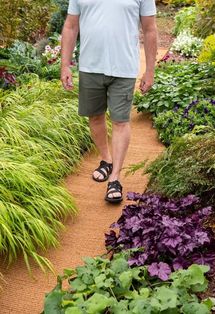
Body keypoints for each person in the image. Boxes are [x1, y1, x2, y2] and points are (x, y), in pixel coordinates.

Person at [61, 0, 157, 204]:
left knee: (120, 120)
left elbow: (150, 29)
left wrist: (150, 71)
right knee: (95, 117)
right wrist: (65, 65)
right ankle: (106, 159)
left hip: (124, 68)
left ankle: (115, 178)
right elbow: (71, 25)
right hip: (90, 67)